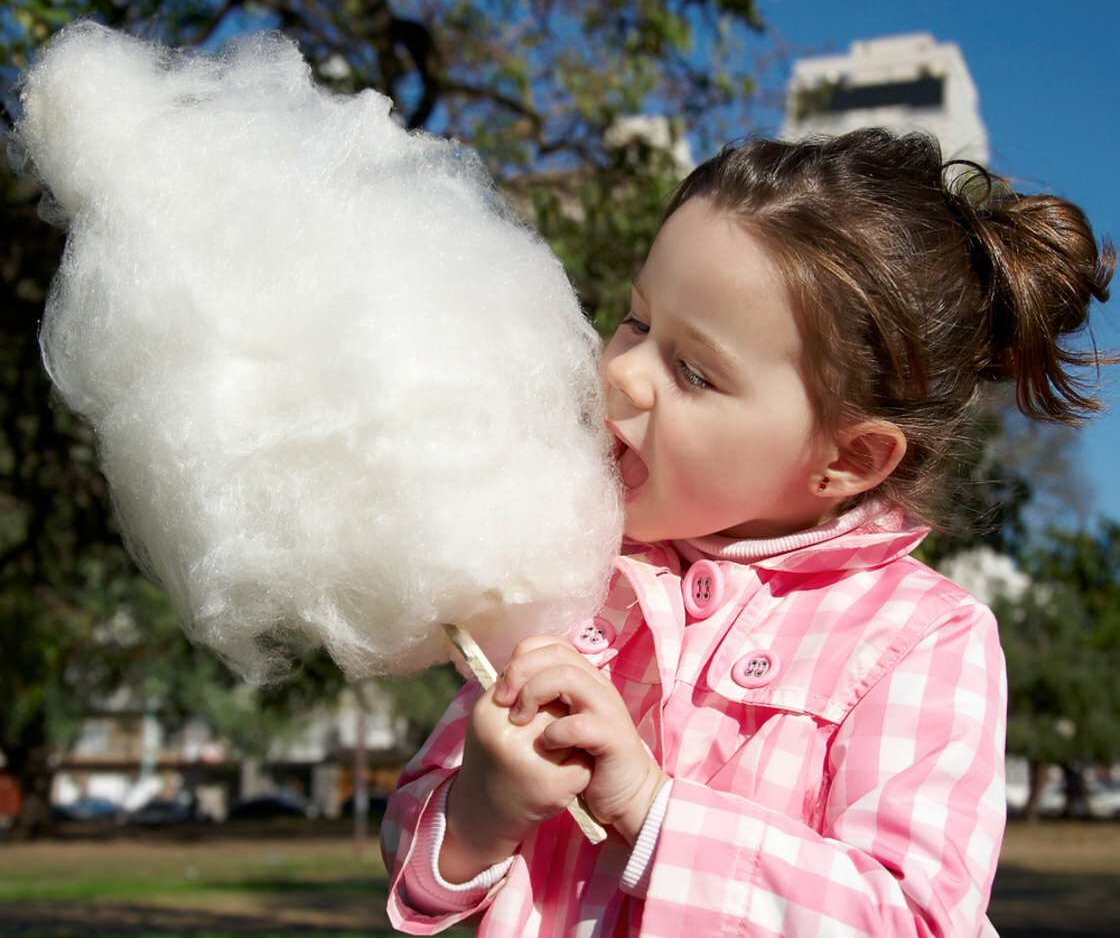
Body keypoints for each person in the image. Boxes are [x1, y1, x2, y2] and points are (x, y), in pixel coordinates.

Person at [380, 128, 1114, 936]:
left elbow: (913, 918)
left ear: (848, 457)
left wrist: (652, 812)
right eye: (635, 321)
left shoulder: (923, 641)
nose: (622, 370)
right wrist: (479, 812)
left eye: (694, 371)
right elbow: (420, 870)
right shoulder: (566, 575)